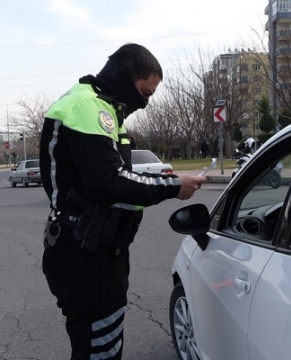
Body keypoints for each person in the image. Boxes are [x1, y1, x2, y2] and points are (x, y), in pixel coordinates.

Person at [39, 43, 206, 360]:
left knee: (104, 344)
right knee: (98, 350)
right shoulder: (89, 108)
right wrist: (173, 185)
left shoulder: (103, 109)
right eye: (144, 92)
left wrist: (161, 180)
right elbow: (108, 183)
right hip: (85, 254)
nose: (144, 103)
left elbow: (115, 177)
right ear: (124, 75)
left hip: (97, 249)